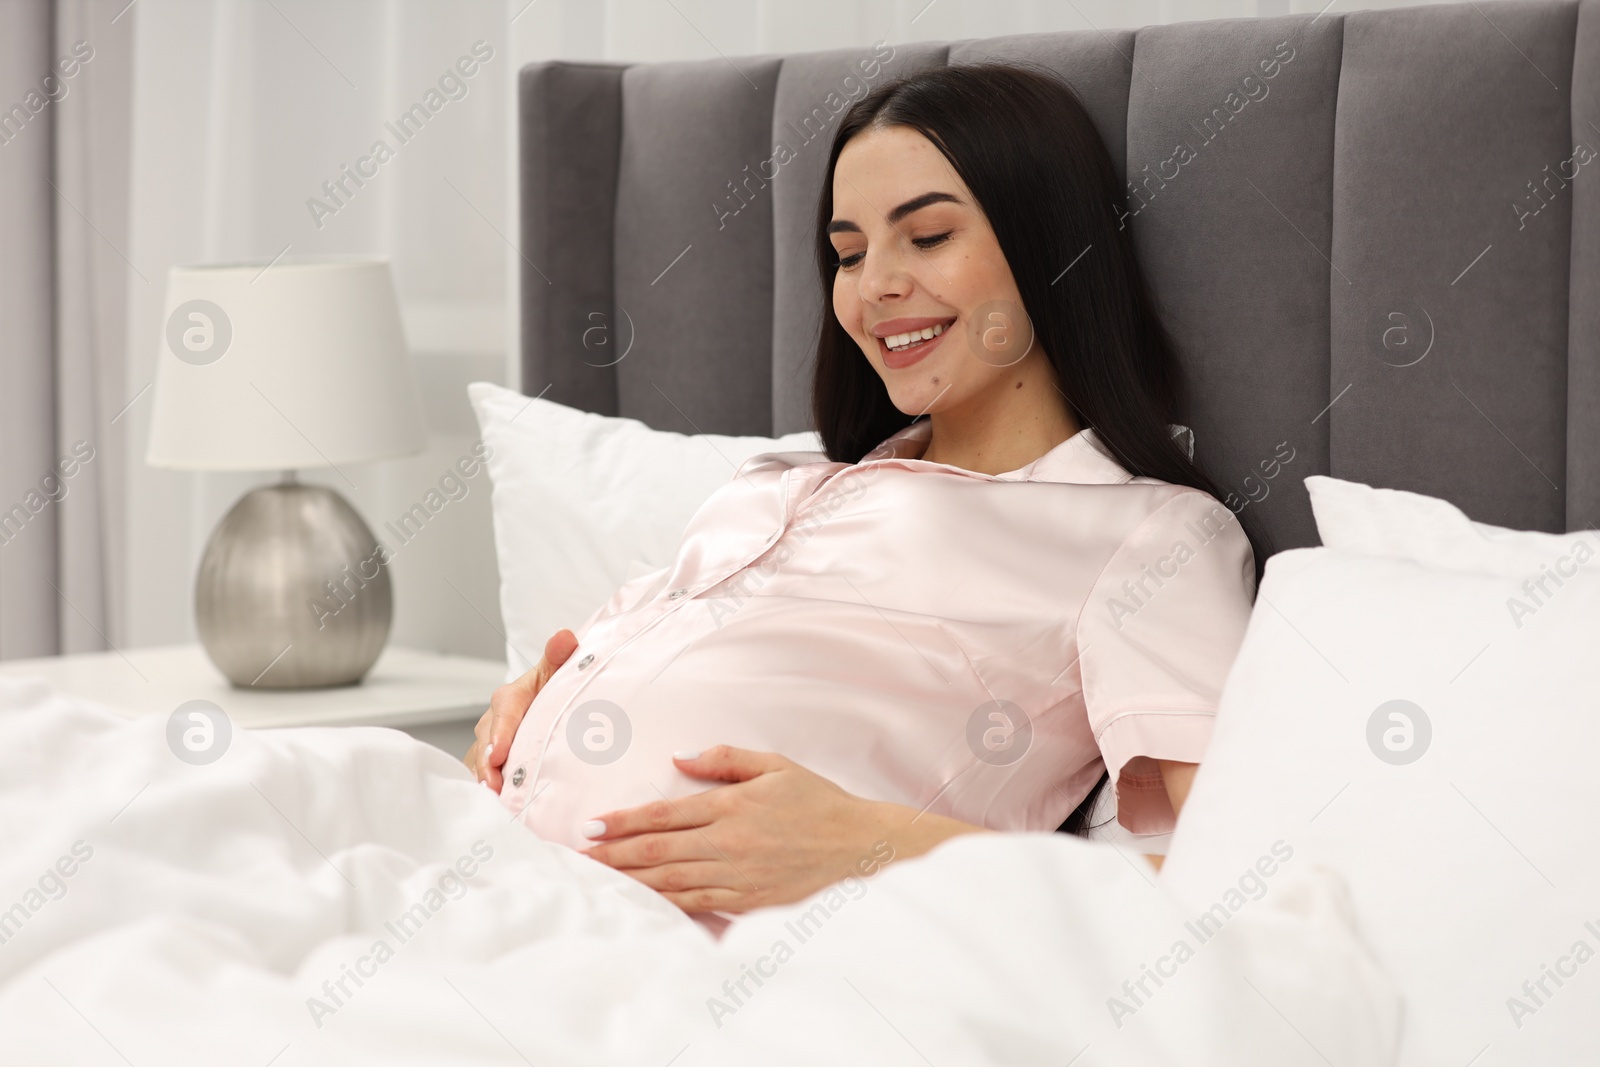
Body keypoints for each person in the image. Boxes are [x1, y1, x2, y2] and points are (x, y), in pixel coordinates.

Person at [464, 63, 1265, 919]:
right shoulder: (779, 487)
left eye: (927, 238)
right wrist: (536, 700)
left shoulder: (1146, 535)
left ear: (1050, 247)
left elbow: (1242, 883)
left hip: (684, 948)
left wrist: (868, 846)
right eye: (848, 253)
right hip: (485, 866)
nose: (874, 285)